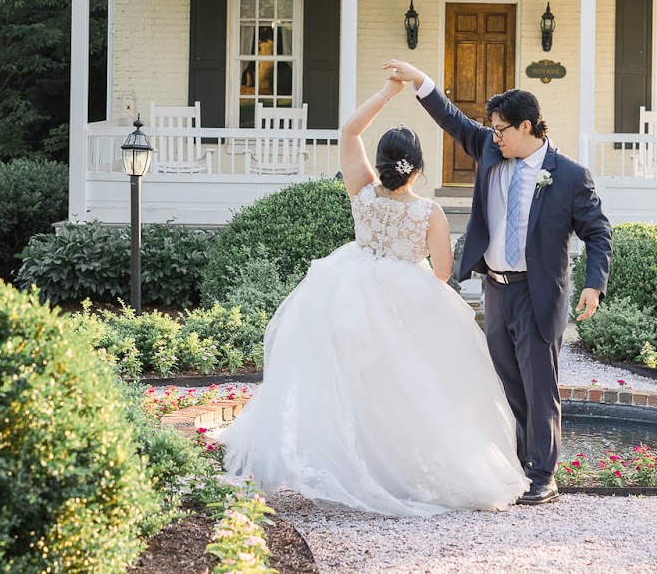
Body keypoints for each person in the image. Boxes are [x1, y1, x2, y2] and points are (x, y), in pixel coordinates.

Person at [219, 75, 528, 516]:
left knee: (352, 385)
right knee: (410, 386)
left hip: (348, 287)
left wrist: (387, 93)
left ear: (380, 164)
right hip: (410, 294)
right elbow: (443, 271)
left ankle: (358, 463)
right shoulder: (430, 211)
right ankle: (401, 470)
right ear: (418, 169)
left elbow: (349, 132)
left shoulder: (361, 191)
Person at [384, 59, 613, 506]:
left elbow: (598, 231)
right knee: (506, 382)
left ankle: (544, 474)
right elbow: (452, 119)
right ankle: (518, 464)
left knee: (538, 384)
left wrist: (593, 283)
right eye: (491, 129)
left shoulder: (568, 176)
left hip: (538, 292)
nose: (494, 135)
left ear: (526, 127)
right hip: (495, 288)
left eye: (501, 129)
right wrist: (420, 82)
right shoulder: (489, 151)